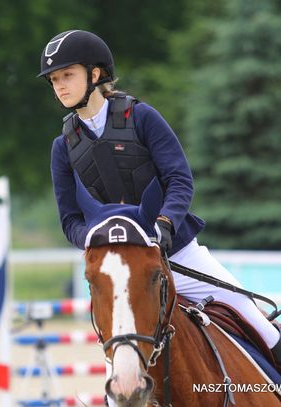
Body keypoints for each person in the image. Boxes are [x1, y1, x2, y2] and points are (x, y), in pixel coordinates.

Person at [37, 29, 281, 381]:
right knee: (121, 372)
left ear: (95, 74)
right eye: (54, 80)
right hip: (123, 272)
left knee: (257, 321)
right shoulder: (62, 147)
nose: (60, 86)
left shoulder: (142, 117)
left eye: (67, 75)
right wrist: (95, 239)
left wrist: (165, 223)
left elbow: (179, 179)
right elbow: (70, 220)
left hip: (177, 254)